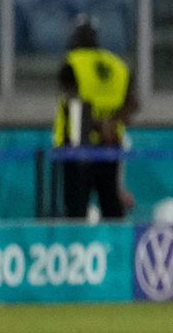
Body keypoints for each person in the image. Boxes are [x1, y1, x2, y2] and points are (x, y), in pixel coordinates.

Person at [53, 17, 136, 219]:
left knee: (76, 210)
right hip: (110, 145)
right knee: (112, 207)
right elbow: (133, 103)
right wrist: (111, 123)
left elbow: (75, 105)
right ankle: (117, 248)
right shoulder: (117, 65)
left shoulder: (72, 64)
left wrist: (98, 125)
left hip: (77, 147)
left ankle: (77, 247)